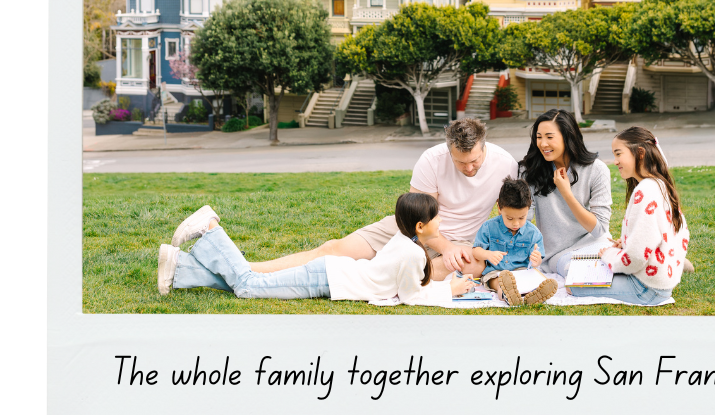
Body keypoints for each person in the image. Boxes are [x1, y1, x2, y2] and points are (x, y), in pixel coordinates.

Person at [246, 118, 518, 281]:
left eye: (475, 161)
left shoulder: (505, 164)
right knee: (335, 249)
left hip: (462, 243)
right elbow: (417, 218)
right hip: (416, 228)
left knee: (474, 265)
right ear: (449, 152)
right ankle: (253, 270)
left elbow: (510, 215)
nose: (470, 168)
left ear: (485, 146)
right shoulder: (431, 160)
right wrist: (444, 246)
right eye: (462, 163)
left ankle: (372, 276)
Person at [157, 193, 477, 304]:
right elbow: (410, 296)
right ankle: (211, 228)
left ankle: (180, 268)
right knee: (248, 286)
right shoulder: (410, 251)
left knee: (252, 284)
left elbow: (409, 283)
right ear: (421, 227)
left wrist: (444, 281)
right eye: (436, 217)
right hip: (323, 279)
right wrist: (450, 290)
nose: (441, 221)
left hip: (327, 276)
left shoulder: (404, 241)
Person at [568, 126, 691, 306]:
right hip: (659, 282)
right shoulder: (660, 184)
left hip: (646, 289)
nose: (615, 161)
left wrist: (609, 256)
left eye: (619, 154)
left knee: (573, 286)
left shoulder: (645, 191)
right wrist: (626, 244)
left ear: (640, 153)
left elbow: (636, 258)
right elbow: (678, 235)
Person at [518, 109, 614, 279]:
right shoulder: (529, 172)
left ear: (568, 136)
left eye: (549, 137)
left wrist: (567, 193)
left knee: (615, 268)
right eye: (539, 137)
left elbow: (599, 230)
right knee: (579, 275)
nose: (543, 144)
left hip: (594, 243)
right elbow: (523, 219)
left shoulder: (597, 170)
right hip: (558, 253)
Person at [471, 176, 557, 306]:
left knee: (529, 282)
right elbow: (476, 251)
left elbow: (537, 261)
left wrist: (536, 259)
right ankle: (506, 294)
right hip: (496, 272)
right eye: (510, 218)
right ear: (499, 207)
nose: (516, 223)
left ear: (528, 208)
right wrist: (488, 254)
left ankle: (533, 295)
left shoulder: (533, 233)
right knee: (499, 282)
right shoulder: (489, 227)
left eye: (522, 218)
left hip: (522, 272)